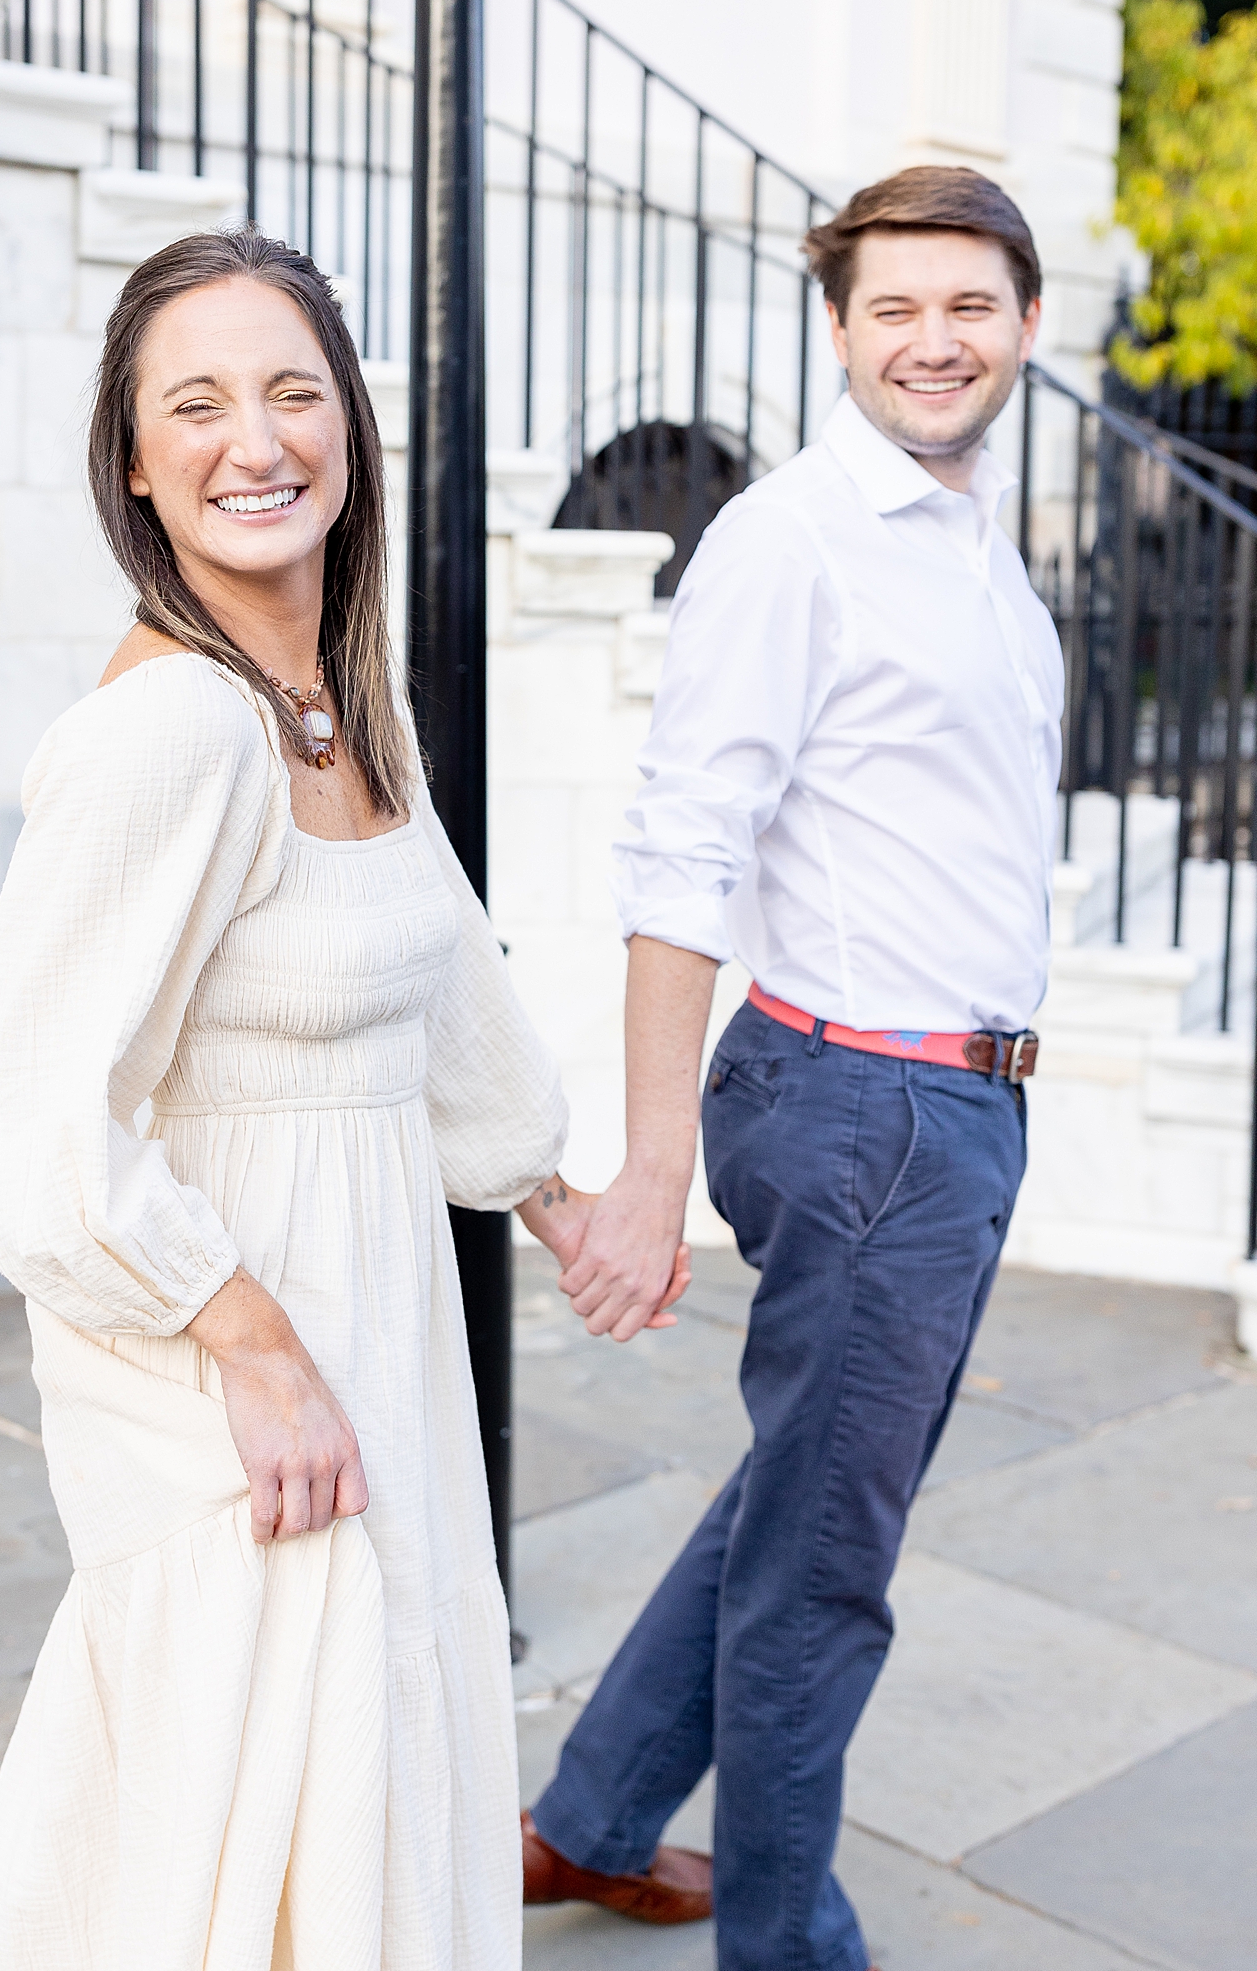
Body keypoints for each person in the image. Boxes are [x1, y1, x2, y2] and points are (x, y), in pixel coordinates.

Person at [0, 226, 688, 1971]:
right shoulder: (175, 731)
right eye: (194, 405)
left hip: (378, 1324)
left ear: (349, 428)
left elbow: (437, 972)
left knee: (362, 1767)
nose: (253, 440)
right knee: (228, 1819)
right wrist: (254, 1348)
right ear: (135, 463)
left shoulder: (340, 700)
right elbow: (37, 1119)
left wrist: (549, 1192)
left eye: (292, 391)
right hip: (235, 1355)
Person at [521, 167, 1063, 1971]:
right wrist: (649, 1160)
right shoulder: (796, 536)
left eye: (968, 303)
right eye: (893, 306)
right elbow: (682, 850)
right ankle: (787, 1943)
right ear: (840, 332)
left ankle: (594, 1816)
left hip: (951, 1106)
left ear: (1025, 325)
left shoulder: (973, 549)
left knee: (802, 1488)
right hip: (868, 1112)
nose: (934, 337)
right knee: (826, 1573)